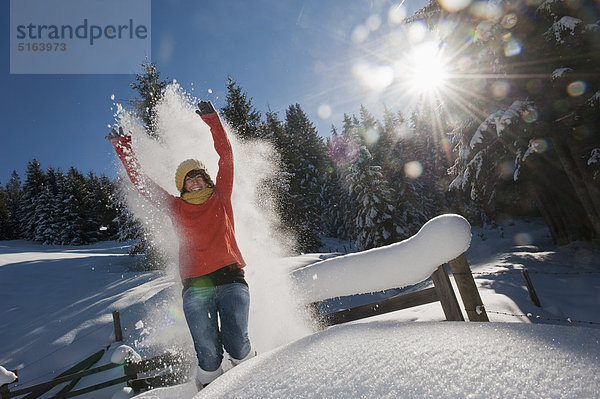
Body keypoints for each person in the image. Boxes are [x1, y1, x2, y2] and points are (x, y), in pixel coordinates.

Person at [107, 101, 254, 390]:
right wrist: (123, 147)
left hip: (231, 280)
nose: (196, 182)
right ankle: (209, 389)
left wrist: (212, 120)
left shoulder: (220, 197)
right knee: (209, 356)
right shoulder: (175, 207)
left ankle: (255, 382)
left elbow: (226, 157)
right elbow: (143, 184)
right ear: (181, 186)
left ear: (208, 179)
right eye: (189, 180)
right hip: (196, 288)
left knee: (237, 345)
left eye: (199, 176)